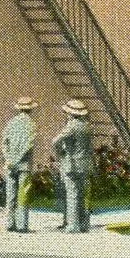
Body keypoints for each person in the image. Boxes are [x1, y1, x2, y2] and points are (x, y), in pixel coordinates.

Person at [51, 99, 93, 233]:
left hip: (72, 163)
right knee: (81, 194)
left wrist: (60, 153)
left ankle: (73, 225)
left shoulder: (72, 126)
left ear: (70, 113)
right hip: (85, 163)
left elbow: (55, 141)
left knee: (72, 194)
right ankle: (83, 223)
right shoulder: (87, 126)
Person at [0, 97, 37, 233]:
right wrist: (17, 159)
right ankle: (22, 225)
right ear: (31, 109)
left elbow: (4, 143)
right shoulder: (31, 124)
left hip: (10, 164)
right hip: (23, 165)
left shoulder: (11, 123)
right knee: (23, 194)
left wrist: (8, 158)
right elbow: (28, 145)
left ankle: (10, 223)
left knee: (11, 195)